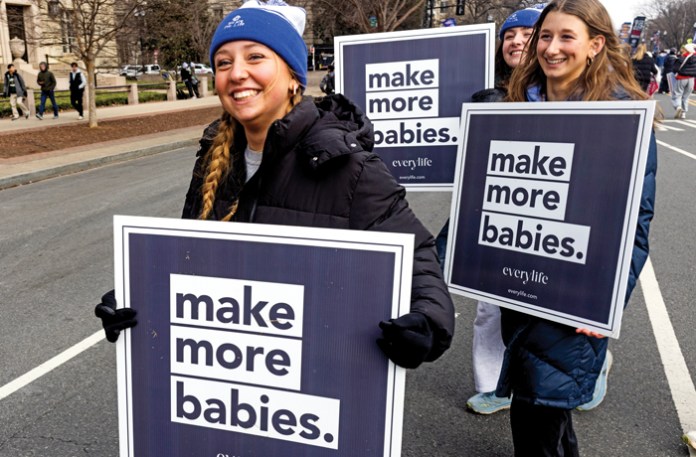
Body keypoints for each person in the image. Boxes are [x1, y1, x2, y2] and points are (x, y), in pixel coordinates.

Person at [95, 0, 455, 372]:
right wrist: (135, 295)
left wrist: (426, 321)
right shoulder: (212, 162)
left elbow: (418, 262)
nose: (236, 74)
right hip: (224, 376)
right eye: (223, 63)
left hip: (311, 381)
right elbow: (188, 259)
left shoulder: (350, 168)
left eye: (255, 57)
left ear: (293, 75)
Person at [500, 0, 657, 455]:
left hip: (576, 297)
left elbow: (636, 224)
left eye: (566, 37)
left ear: (595, 45)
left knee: (539, 407)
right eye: (544, 36)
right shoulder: (516, 103)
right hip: (518, 282)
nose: (551, 48)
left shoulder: (623, 115)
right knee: (542, 404)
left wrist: (604, 304)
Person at [434, 5, 542, 415]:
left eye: (528, 34)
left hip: (548, 220)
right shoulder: (485, 89)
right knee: (490, 307)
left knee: (555, 316)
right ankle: (495, 386)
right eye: (510, 35)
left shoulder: (566, 91)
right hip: (497, 219)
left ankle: (591, 369)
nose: (516, 41)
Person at [672, 43, 696, 119]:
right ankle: (683, 113)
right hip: (691, 79)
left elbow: (675, 69)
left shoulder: (681, 58)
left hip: (682, 77)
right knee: (686, 97)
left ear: (686, 50)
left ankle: (678, 106)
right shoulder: (695, 58)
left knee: (677, 94)